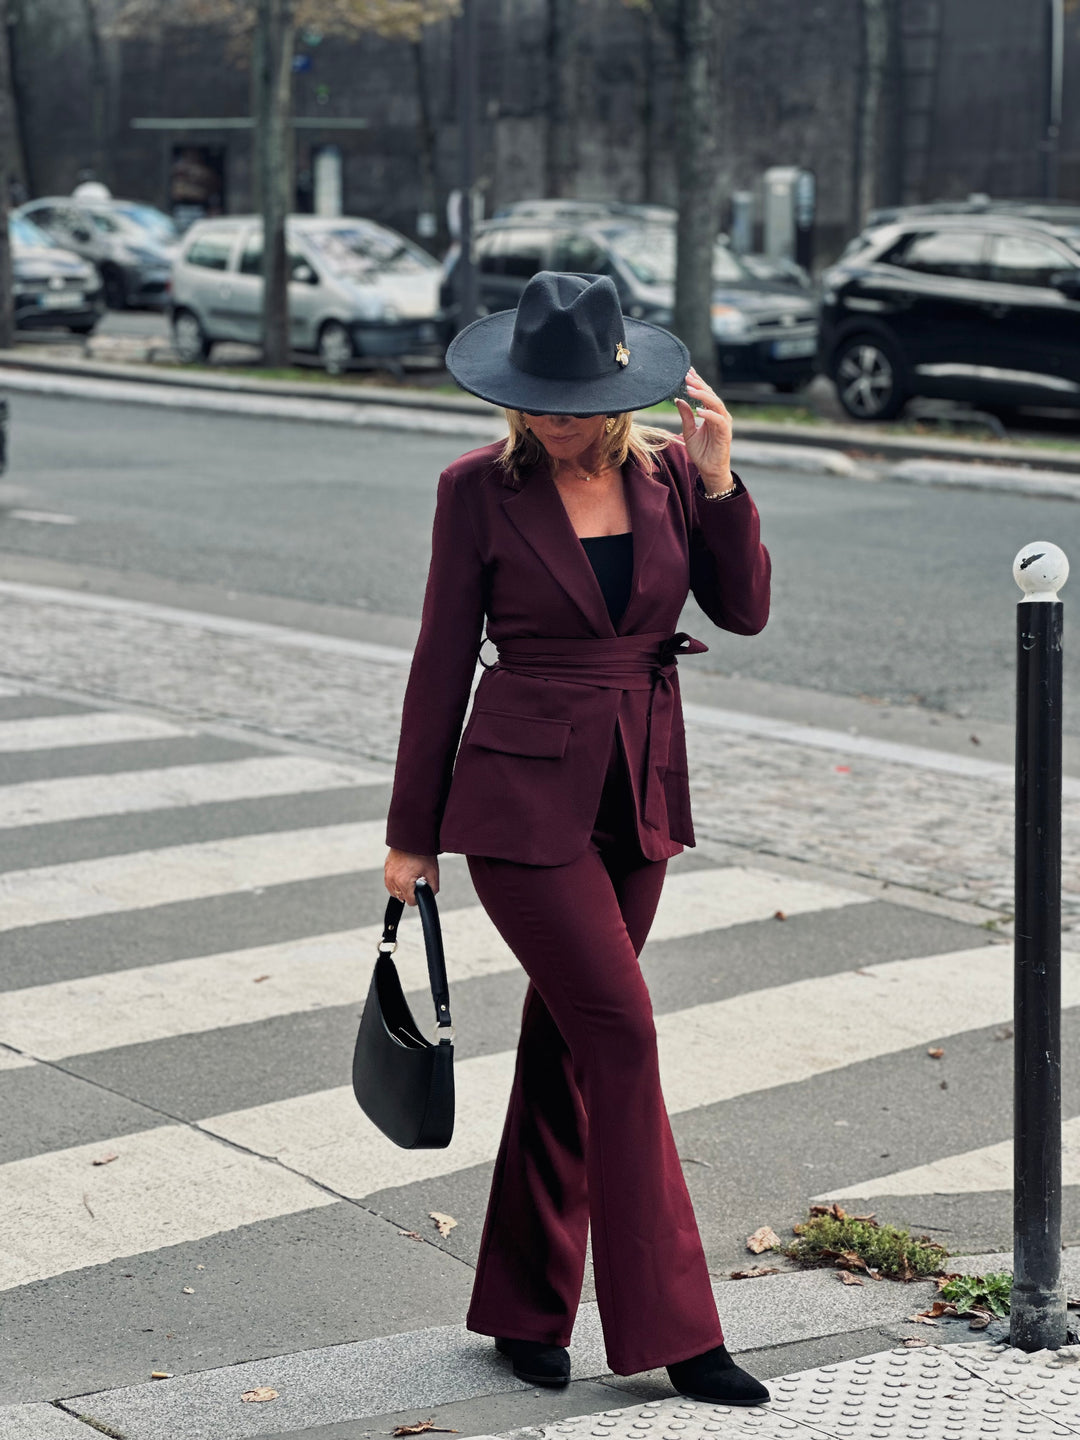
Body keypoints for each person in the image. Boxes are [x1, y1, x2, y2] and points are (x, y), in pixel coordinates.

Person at [383, 272, 772, 1406]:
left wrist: (721, 473)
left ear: (619, 389)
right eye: (535, 398)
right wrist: (412, 833)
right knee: (624, 1038)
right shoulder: (476, 491)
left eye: (574, 399)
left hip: (637, 792)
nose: (555, 419)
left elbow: (740, 610)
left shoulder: (669, 478)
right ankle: (679, 1332)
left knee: (567, 1047)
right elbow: (440, 660)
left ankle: (520, 1306)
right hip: (518, 806)